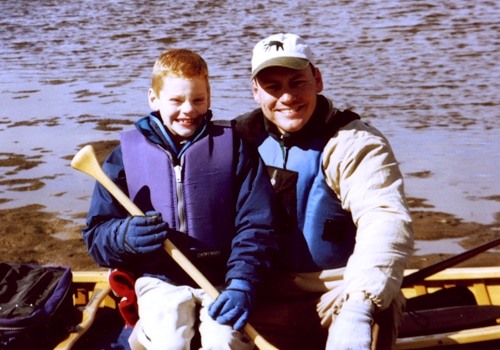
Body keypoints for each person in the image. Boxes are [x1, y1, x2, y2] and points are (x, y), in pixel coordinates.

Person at [82, 49, 279, 350]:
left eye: (198, 100)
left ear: (209, 98)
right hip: (158, 278)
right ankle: (144, 335)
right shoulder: (122, 158)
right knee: (170, 340)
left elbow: (257, 226)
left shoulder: (236, 149)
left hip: (224, 278)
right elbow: (97, 236)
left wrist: (242, 283)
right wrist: (125, 236)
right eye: (175, 100)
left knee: (224, 340)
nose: (188, 109)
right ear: (153, 98)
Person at [233, 33, 415, 350]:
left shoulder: (355, 143)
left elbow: (385, 219)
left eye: (297, 82)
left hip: (338, 293)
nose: (287, 97)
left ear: (317, 80)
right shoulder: (234, 141)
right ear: (255, 92)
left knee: (376, 309)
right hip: (260, 296)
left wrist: (359, 305)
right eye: (273, 87)